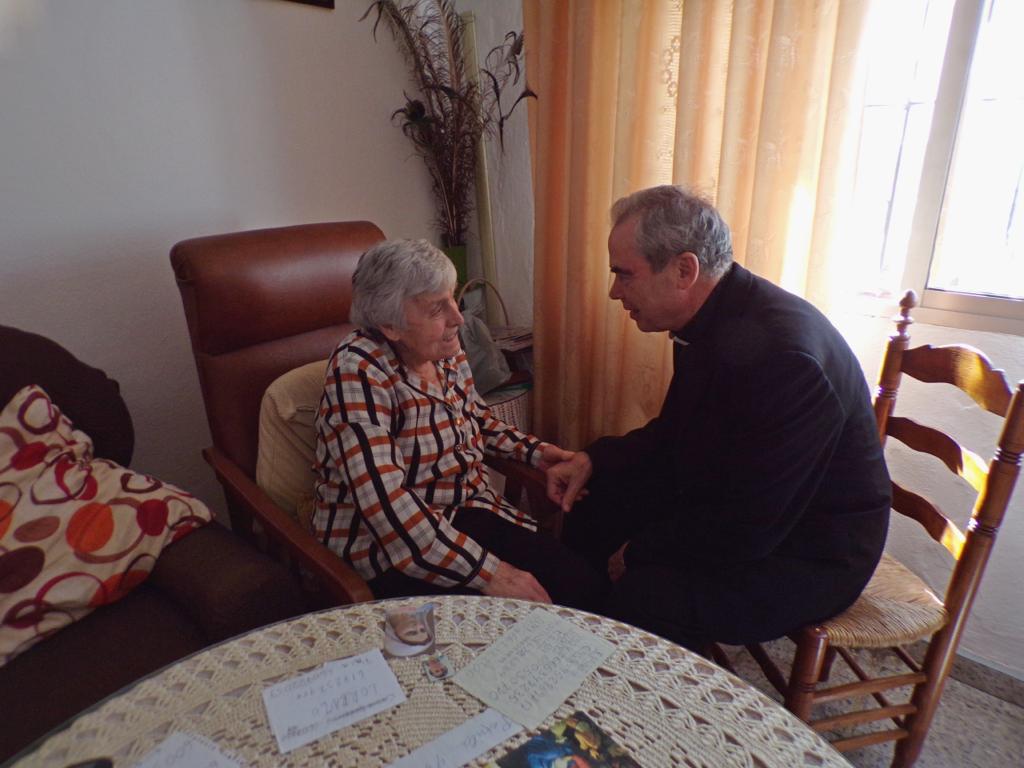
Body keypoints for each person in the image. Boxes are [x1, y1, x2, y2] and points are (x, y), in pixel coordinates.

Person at [546, 185, 891, 650]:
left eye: (623, 275)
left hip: (810, 549)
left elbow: (749, 527)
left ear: (684, 270)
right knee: (594, 503)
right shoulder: (714, 315)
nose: (613, 292)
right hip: (739, 504)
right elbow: (676, 434)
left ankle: (624, 685)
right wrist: (596, 459)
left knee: (644, 593)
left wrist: (639, 551)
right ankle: (573, 648)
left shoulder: (787, 360)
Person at [313, 239, 605, 609]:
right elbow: (389, 508)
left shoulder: (441, 350)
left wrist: (537, 454)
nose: (458, 317)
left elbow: (475, 419)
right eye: (438, 307)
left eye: (452, 298)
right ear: (390, 324)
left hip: (464, 512)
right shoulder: (358, 370)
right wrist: (491, 573)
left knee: (579, 585)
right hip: (386, 548)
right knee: (532, 610)